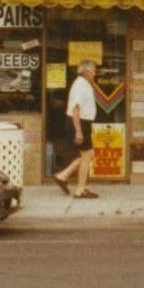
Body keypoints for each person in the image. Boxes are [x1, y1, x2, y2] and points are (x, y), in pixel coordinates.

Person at [53, 60, 100, 199]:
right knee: (87, 155)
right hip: (79, 123)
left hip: (81, 123)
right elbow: (76, 108)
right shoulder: (81, 85)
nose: (95, 74)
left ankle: (63, 176)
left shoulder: (84, 83)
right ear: (86, 72)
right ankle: (79, 190)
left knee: (87, 155)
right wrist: (78, 130)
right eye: (93, 71)